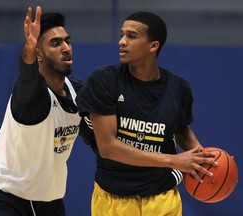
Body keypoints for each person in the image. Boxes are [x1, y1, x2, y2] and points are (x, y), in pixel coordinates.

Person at [77, 11, 218, 216]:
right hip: (113, 201)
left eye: (131, 36)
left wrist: (206, 159)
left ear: (153, 46)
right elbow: (108, 147)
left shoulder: (178, 89)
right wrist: (172, 160)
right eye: (122, 34)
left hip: (162, 199)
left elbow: (181, 130)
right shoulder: (105, 80)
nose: (121, 42)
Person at [0, 6, 83, 216]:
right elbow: (27, 74)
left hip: (48, 199)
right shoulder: (31, 95)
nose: (66, 47)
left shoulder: (77, 92)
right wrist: (29, 47)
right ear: (39, 55)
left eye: (67, 41)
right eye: (55, 43)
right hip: (5, 194)